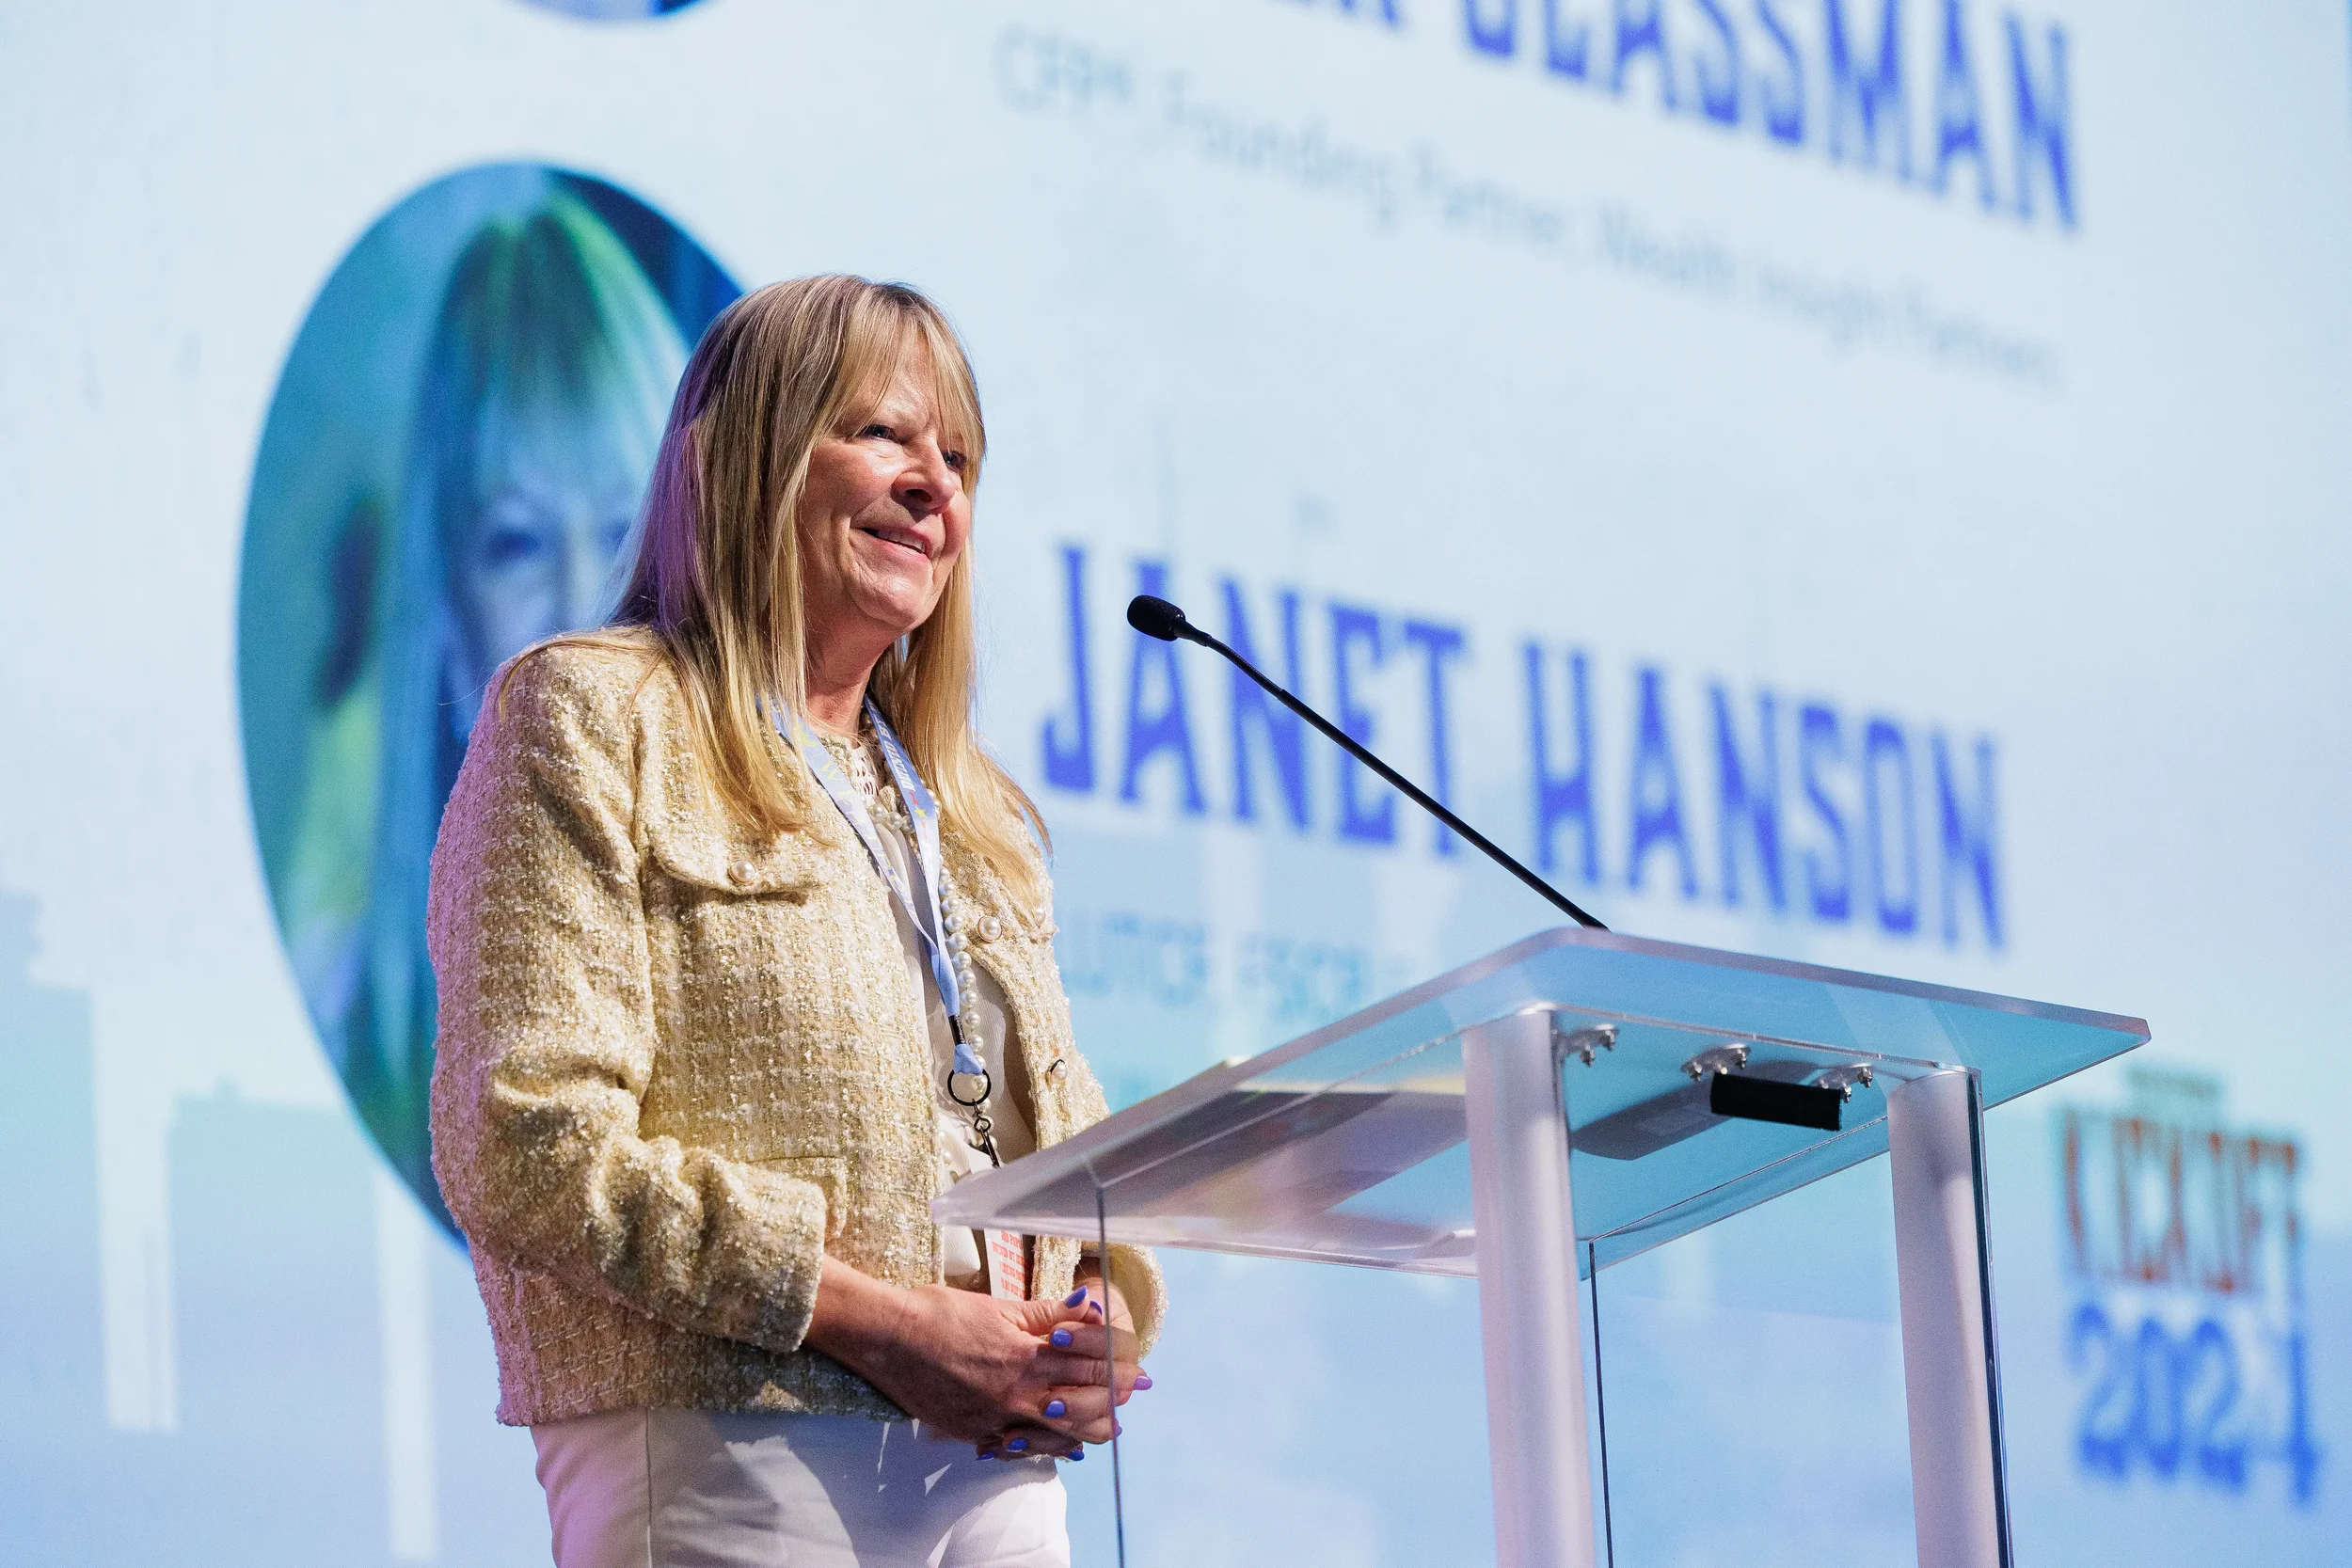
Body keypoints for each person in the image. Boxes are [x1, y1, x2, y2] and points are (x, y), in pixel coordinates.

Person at [426, 276, 1163, 1568]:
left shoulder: (980, 817)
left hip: (1002, 1457)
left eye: (960, 457)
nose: (934, 484)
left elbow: (1062, 1132)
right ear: (749, 456)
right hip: (726, 1443)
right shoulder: (592, 716)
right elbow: (526, 1141)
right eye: (883, 432)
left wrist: (1099, 1305)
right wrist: (883, 1321)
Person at [278, 186, 689, 1229]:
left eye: (618, 531)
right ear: (445, 601)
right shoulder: (348, 1004)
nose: (578, 605)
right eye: (515, 542)